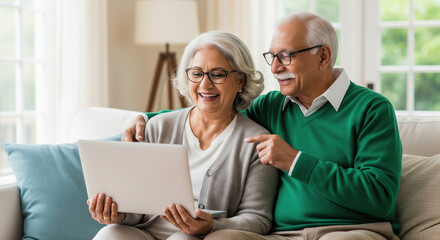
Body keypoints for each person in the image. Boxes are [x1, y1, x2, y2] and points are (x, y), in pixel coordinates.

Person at [123, 12, 402, 240]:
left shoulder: (371, 109)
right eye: (272, 56)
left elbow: (380, 197)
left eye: (286, 56)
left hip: (350, 232)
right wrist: (146, 119)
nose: (275, 68)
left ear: (323, 56)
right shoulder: (270, 106)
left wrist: (295, 161)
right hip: (279, 235)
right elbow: (212, 106)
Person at [87, 31, 279, 240]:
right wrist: (118, 212)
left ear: (240, 81)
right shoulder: (158, 127)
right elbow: (136, 205)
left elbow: (258, 218)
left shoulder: (256, 141)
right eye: (197, 73)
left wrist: (211, 226)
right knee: (110, 233)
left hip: (198, 237)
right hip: (144, 230)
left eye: (217, 74)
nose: (205, 84)